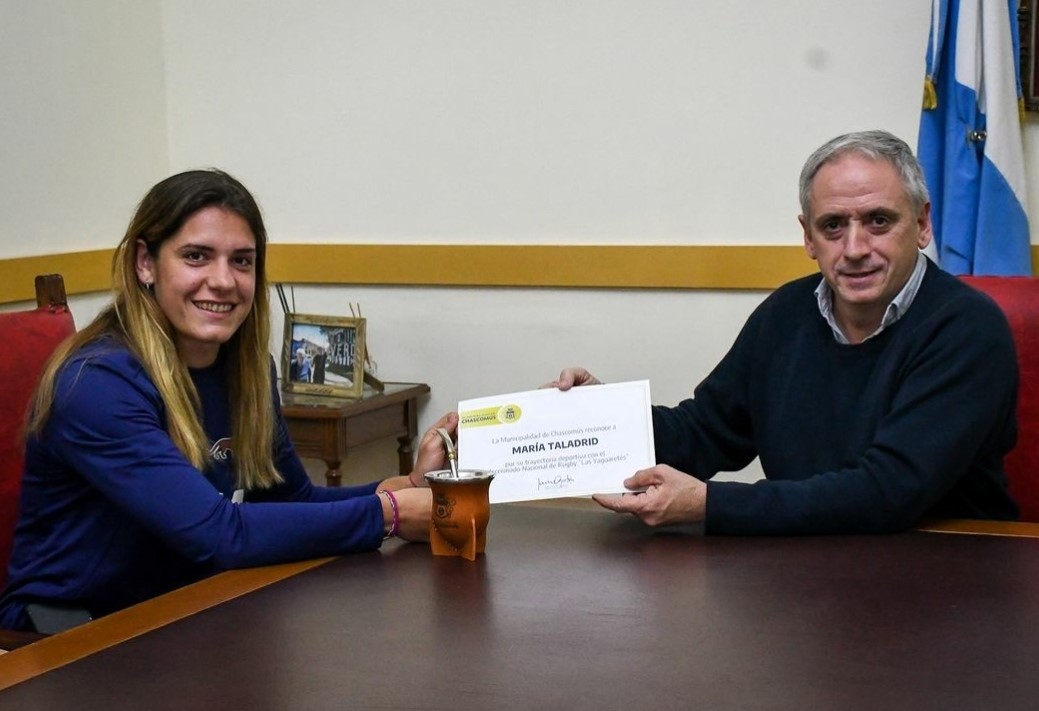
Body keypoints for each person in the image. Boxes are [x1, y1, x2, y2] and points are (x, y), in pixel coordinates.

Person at [0, 169, 456, 631]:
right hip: (68, 634)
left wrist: (407, 485)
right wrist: (390, 515)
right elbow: (218, 534)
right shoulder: (96, 384)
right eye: (196, 256)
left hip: (185, 607)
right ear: (145, 262)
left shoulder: (249, 371)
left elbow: (291, 499)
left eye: (241, 261)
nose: (223, 281)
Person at [549, 130, 1019, 535]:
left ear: (921, 224)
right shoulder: (787, 313)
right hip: (805, 568)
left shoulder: (967, 328)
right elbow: (704, 431)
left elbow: (889, 491)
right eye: (832, 226)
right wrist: (605, 420)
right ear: (808, 237)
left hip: (947, 572)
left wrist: (709, 504)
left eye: (878, 221)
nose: (855, 247)